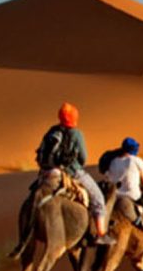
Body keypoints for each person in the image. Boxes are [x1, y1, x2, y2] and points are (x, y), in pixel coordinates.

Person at [35, 102, 113, 245]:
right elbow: (83, 159)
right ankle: (101, 234)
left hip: (45, 172)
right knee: (98, 198)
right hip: (72, 172)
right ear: (74, 117)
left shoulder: (52, 131)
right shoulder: (76, 134)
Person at [105, 137, 143, 258]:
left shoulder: (113, 162)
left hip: (115, 196)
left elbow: (109, 179)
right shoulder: (137, 161)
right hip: (133, 196)